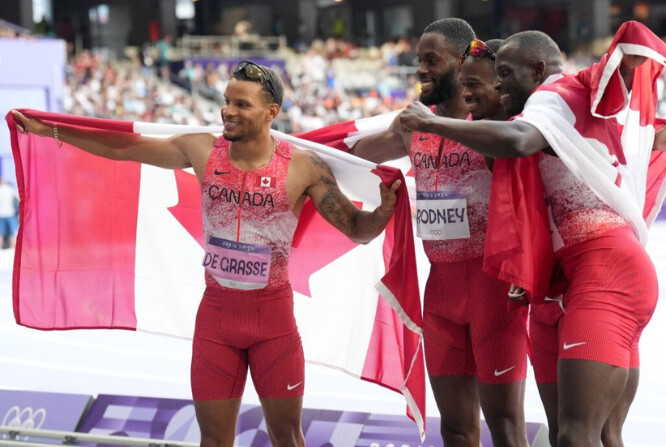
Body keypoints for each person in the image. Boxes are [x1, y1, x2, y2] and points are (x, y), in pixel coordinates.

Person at [12, 60, 401, 447]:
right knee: (214, 439)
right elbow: (124, 148)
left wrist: (382, 213)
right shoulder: (201, 149)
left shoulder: (303, 167)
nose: (228, 111)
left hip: (274, 323)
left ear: (271, 113)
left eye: (242, 105)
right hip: (216, 321)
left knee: (286, 436)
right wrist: (53, 130)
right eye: (227, 101)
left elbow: (356, 230)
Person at [397, 24, 666, 447]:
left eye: (502, 76)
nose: (498, 86)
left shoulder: (552, 96)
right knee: (576, 435)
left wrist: (437, 124)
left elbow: (521, 140)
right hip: (555, 283)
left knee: (577, 435)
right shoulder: (539, 112)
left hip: (603, 271)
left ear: (536, 70)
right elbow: (593, 143)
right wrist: (654, 139)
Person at [351, 18, 529, 447]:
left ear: (461, 60)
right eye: (418, 62)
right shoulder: (413, 127)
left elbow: (554, 139)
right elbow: (350, 152)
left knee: (504, 424)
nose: (421, 71)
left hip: (493, 287)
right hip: (442, 291)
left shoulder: (493, 119)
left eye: (431, 60)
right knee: (453, 428)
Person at [0, 178, 19, 249]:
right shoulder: (10, 189)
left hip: (1, 214)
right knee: (12, 232)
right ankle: (13, 248)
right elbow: (18, 198)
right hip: (10, 213)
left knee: (0, 233)